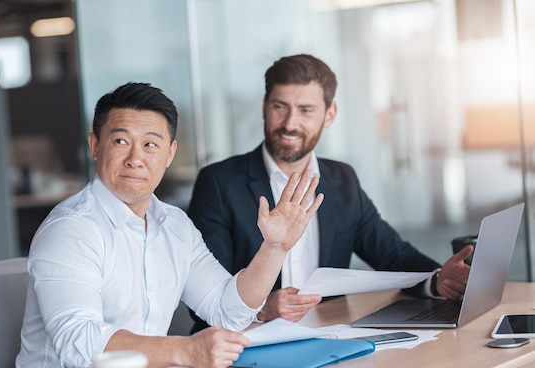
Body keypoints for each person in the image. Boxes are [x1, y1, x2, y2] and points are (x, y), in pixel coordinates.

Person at [12, 82, 323, 368]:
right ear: (95, 146)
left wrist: (274, 248)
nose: (136, 158)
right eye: (121, 142)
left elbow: (227, 312)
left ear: (170, 154)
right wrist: (184, 350)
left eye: (150, 145)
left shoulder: (175, 226)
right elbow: (77, 341)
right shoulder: (72, 229)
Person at [187, 54, 473, 333]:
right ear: (264, 107)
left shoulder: (342, 179)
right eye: (279, 107)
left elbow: (393, 256)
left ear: (329, 114)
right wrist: (262, 307)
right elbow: (205, 294)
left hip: (327, 335)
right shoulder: (219, 183)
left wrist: (439, 280)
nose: (290, 123)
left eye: (306, 110)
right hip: (241, 344)